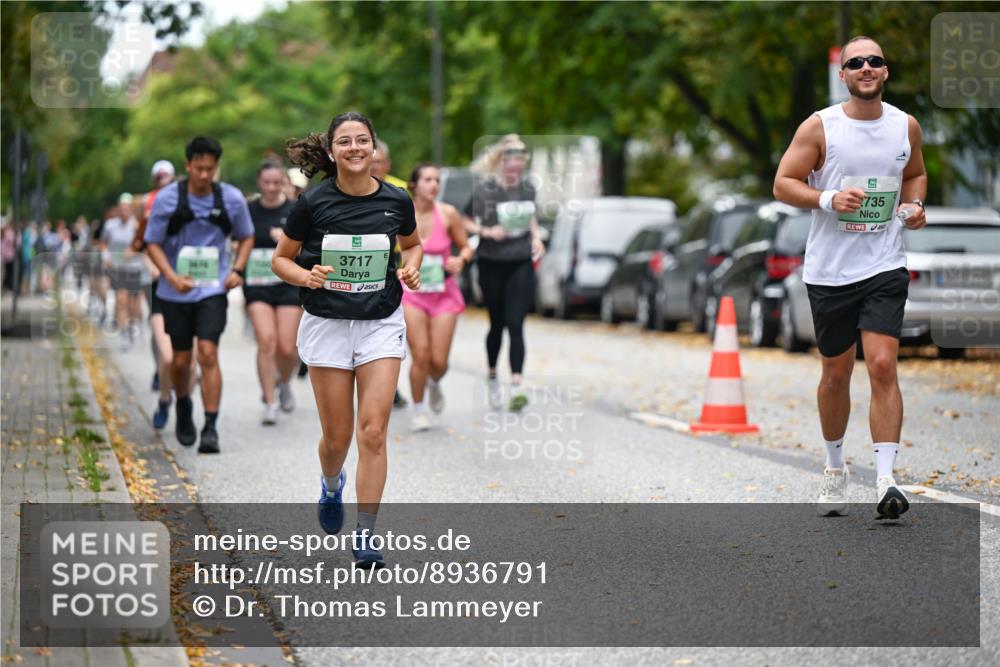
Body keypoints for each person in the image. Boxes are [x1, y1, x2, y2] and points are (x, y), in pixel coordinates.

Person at [773, 36, 927, 520]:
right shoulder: (822, 126)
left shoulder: (906, 126)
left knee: (882, 364)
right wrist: (827, 198)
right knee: (836, 373)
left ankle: (886, 480)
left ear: (885, 72)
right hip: (830, 272)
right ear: (843, 74)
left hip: (884, 264)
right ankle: (835, 467)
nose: (866, 67)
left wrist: (916, 206)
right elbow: (782, 182)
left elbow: (916, 175)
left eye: (874, 61)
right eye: (855, 61)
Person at [275, 111, 422, 568]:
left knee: (373, 432)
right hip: (328, 324)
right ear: (333, 151)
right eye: (345, 142)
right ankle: (330, 481)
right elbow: (281, 261)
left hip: (380, 320)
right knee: (337, 439)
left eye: (363, 141)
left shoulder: (397, 201)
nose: (355, 148)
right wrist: (308, 274)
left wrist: (412, 265)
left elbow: (413, 243)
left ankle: (365, 535)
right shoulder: (313, 202)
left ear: (374, 148)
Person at [144, 136, 255, 454]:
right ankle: (182, 406)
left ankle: (210, 427)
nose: (205, 175)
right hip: (176, 291)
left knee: (207, 353)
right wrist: (170, 276)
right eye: (199, 168)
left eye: (211, 169)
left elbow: (246, 236)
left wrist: (238, 270)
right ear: (187, 165)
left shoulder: (231, 198)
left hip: (212, 289)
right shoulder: (167, 199)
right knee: (180, 361)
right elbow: (152, 243)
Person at [462, 134, 545, 411]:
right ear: (501, 164)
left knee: (516, 322)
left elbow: (531, 216)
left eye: (519, 165)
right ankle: (492, 374)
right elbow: (464, 220)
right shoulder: (486, 190)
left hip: (520, 261)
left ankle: (518, 385)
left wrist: (536, 238)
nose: (515, 170)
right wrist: (487, 231)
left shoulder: (528, 188)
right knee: (497, 322)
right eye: (510, 165)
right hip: (491, 261)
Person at [401, 163, 472, 431]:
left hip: (444, 293)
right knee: (421, 355)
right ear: (414, 185)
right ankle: (418, 409)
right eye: (428, 179)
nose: (434, 185)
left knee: (439, 361)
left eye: (437, 180)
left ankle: (433, 382)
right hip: (413, 294)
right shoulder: (402, 214)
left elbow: (465, 248)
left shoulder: (449, 214)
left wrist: (460, 259)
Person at [244, 160, 301, 424]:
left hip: (288, 282)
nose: (271, 187)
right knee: (267, 341)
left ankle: (285, 381)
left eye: (276, 182)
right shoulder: (248, 210)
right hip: (257, 282)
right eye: (266, 182)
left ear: (283, 183)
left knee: (288, 347)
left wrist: (287, 241)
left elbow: (308, 247)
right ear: (259, 182)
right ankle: (269, 402)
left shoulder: (294, 210)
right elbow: (238, 241)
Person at [371, 138, 411, 408]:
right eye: (371, 162)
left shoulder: (401, 190)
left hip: (396, 258)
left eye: (379, 162)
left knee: (392, 323)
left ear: (387, 163)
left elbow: (414, 234)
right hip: (370, 260)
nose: (374, 166)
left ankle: (389, 383)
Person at [102, 194, 147, 348]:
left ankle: (133, 325)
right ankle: (124, 332)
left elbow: (143, 245)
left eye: (127, 209)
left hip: (134, 268)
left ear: (131, 210)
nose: (124, 212)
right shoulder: (110, 225)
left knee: (133, 304)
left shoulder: (137, 225)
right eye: (121, 209)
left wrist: (134, 251)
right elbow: (104, 243)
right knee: (121, 299)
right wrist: (106, 255)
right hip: (118, 267)